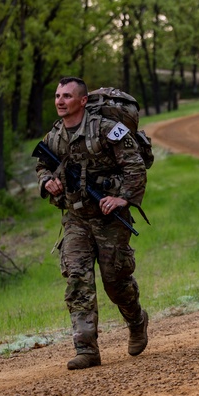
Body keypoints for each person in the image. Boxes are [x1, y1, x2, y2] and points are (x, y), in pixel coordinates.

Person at [35, 76, 149, 370]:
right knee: (77, 278)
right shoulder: (56, 135)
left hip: (110, 217)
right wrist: (47, 181)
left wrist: (123, 198)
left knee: (116, 282)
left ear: (83, 101)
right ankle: (86, 349)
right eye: (58, 96)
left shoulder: (108, 130)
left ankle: (137, 321)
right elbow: (42, 165)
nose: (60, 101)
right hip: (76, 218)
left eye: (68, 96)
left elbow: (134, 165)